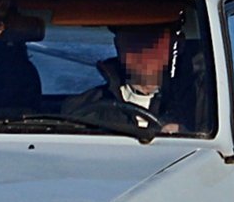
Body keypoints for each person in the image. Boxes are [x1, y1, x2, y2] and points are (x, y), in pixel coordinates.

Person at [64, 20, 207, 134]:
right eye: (132, 39)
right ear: (118, 45)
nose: (143, 50)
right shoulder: (83, 107)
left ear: (178, 44)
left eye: (152, 41)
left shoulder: (204, 102)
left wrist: (184, 134)